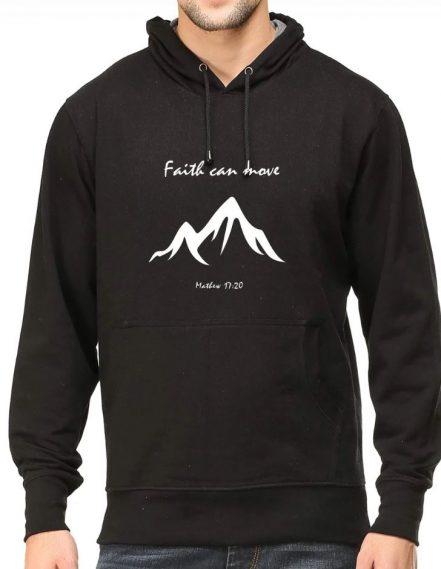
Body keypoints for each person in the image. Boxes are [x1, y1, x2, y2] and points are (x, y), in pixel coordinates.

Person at [8, 1, 441, 568]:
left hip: (319, 538)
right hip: (148, 539)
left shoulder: (355, 112)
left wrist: (402, 509)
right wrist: (44, 510)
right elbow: (56, 323)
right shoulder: (93, 118)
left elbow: (405, 320)